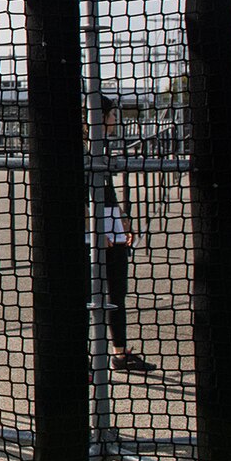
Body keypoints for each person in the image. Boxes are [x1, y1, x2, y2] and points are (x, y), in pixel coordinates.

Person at [92, 98, 153, 373]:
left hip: (109, 222)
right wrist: (95, 228)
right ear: (102, 115)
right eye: (113, 114)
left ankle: (120, 353)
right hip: (93, 228)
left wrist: (121, 218)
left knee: (117, 290)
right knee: (90, 290)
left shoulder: (102, 145)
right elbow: (81, 191)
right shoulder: (85, 147)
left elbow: (106, 189)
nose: (116, 118)